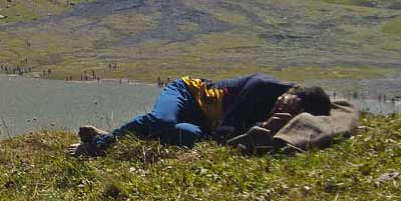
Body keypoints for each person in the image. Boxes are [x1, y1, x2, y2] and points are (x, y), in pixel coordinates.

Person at [70, 74, 331, 155]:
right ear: (293, 94)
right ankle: (99, 146)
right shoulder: (266, 86)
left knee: (187, 136)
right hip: (187, 93)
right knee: (162, 120)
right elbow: (227, 132)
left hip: (201, 123)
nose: (285, 109)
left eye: (294, 113)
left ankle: (115, 136)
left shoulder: (279, 120)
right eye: (291, 105)